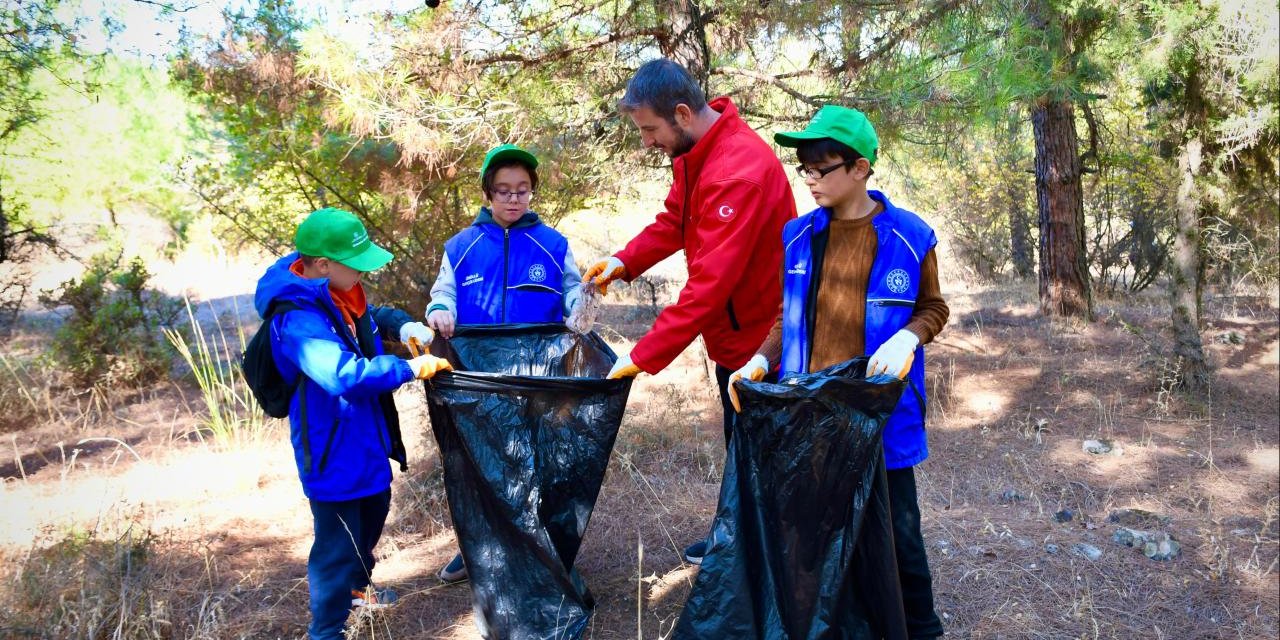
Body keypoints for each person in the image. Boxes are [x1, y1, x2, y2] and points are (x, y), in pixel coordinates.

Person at [727, 105, 949, 639]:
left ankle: (920, 629)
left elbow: (933, 308)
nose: (809, 180)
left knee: (899, 534)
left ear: (860, 168)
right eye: (803, 168)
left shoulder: (909, 237)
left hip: (878, 416)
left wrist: (907, 336)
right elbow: (789, 316)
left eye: (821, 169)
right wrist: (761, 359)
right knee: (817, 532)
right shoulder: (798, 237)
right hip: (811, 413)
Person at [582, 58, 796, 565]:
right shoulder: (697, 152)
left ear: (681, 113)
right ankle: (740, 545)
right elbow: (675, 220)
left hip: (762, 342)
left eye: (650, 130)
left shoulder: (738, 171)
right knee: (741, 445)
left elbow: (707, 287)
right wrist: (623, 261)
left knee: (763, 450)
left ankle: (770, 567)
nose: (647, 142)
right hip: (731, 336)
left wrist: (643, 355)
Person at [253, 207, 453, 640]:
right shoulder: (298, 319)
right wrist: (409, 368)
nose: (363, 273)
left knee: (373, 513)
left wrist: (404, 324)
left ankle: (359, 591)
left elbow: (368, 314)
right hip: (330, 449)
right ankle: (325, 631)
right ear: (322, 265)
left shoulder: (334, 290)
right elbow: (342, 374)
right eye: (355, 264)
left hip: (365, 439)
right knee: (335, 547)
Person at [425, 143, 584, 582]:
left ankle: (548, 553)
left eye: (522, 190)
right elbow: (443, 294)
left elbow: (573, 290)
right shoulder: (461, 246)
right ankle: (477, 547)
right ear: (488, 195)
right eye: (504, 191)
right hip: (480, 378)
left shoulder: (553, 245)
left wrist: (578, 305)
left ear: (532, 192)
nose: (514, 199)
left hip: (540, 378)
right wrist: (439, 309)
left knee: (542, 462)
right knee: (482, 465)